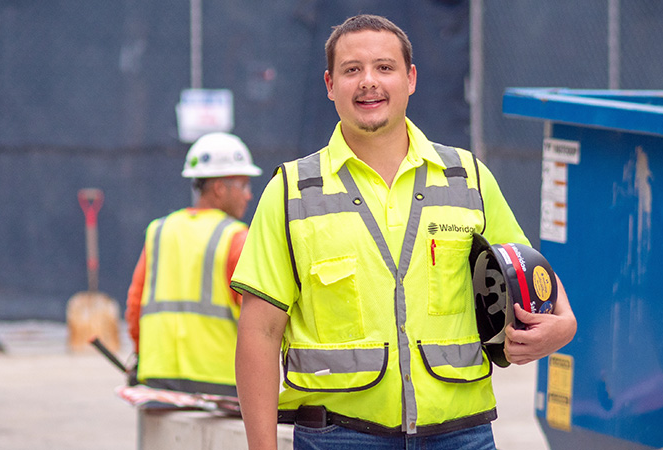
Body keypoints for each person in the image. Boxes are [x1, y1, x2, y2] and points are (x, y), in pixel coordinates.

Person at [230, 14, 577, 449]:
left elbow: (531, 271)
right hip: (338, 437)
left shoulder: (468, 178)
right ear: (329, 84)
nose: (368, 82)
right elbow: (259, 332)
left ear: (410, 79)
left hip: (462, 435)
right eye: (352, 70)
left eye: (385, 67)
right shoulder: (290, 193)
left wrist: (564, 326)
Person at [125, 132, 261, 397]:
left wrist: (142, 355)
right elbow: (258, 319)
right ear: (220, 188)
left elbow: (135, 306)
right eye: (243, 185)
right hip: (220, 383)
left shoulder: (159, 230)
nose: (248, 195)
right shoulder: (236, 237)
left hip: (157, 380)